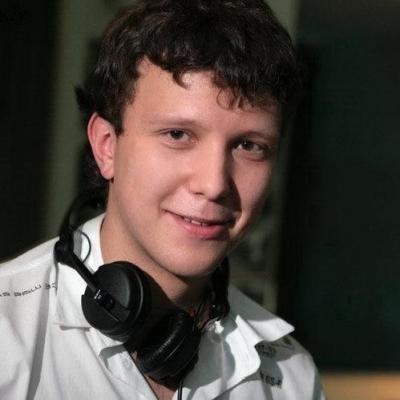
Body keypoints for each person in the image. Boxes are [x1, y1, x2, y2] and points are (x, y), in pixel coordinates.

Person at [0, 1, 325, 399]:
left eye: (249, 145)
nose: (213, 184)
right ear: (106, 146)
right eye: (177, 135)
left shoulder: (291, 376)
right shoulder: (7, 335)